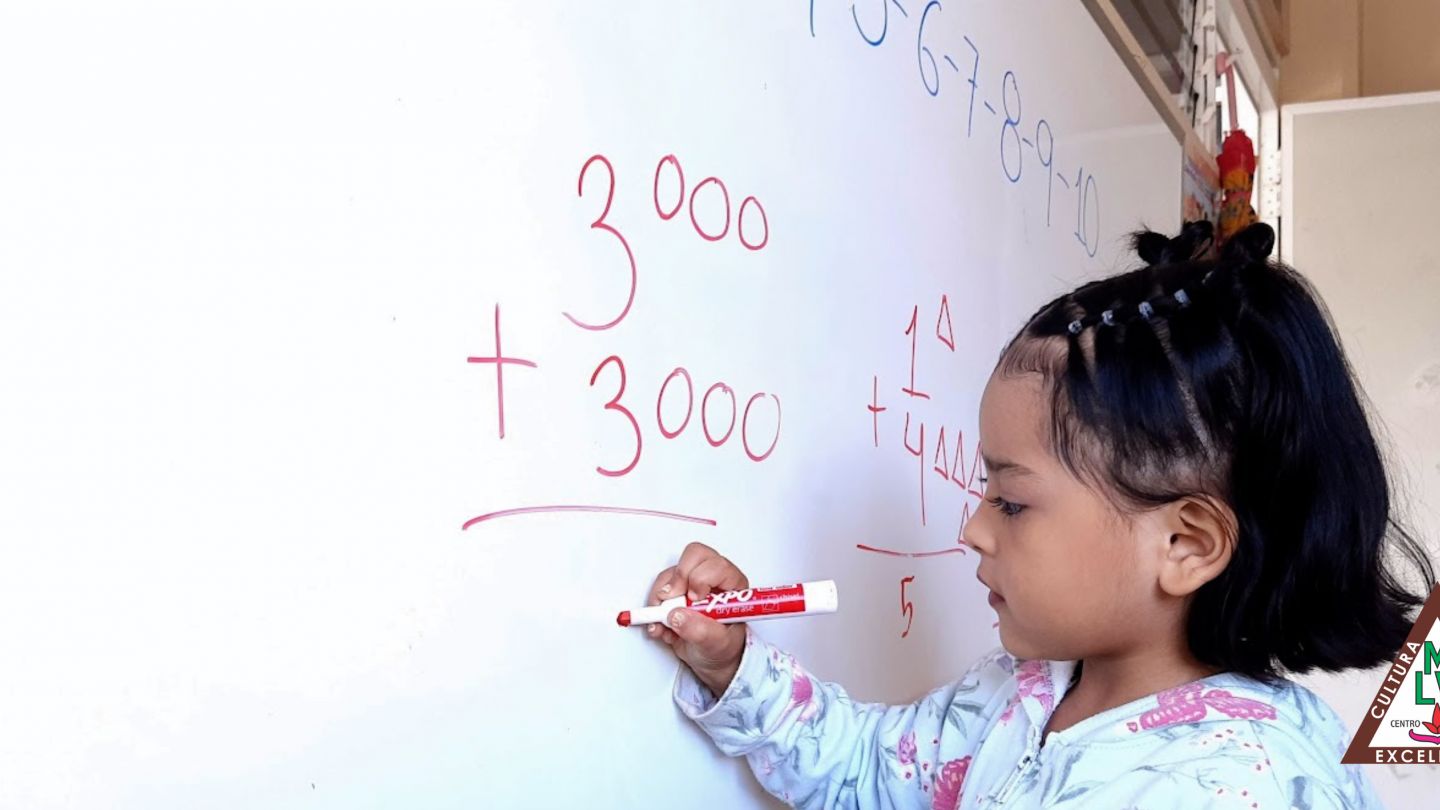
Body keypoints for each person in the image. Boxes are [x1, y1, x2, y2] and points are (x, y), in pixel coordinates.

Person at [639, 221, 1434, 808]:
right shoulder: (1023, 690)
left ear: (1185, 544)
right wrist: (733, 665)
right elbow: (869, 770)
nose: (973, 529)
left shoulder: (1234, 786)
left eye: (1012, 502)